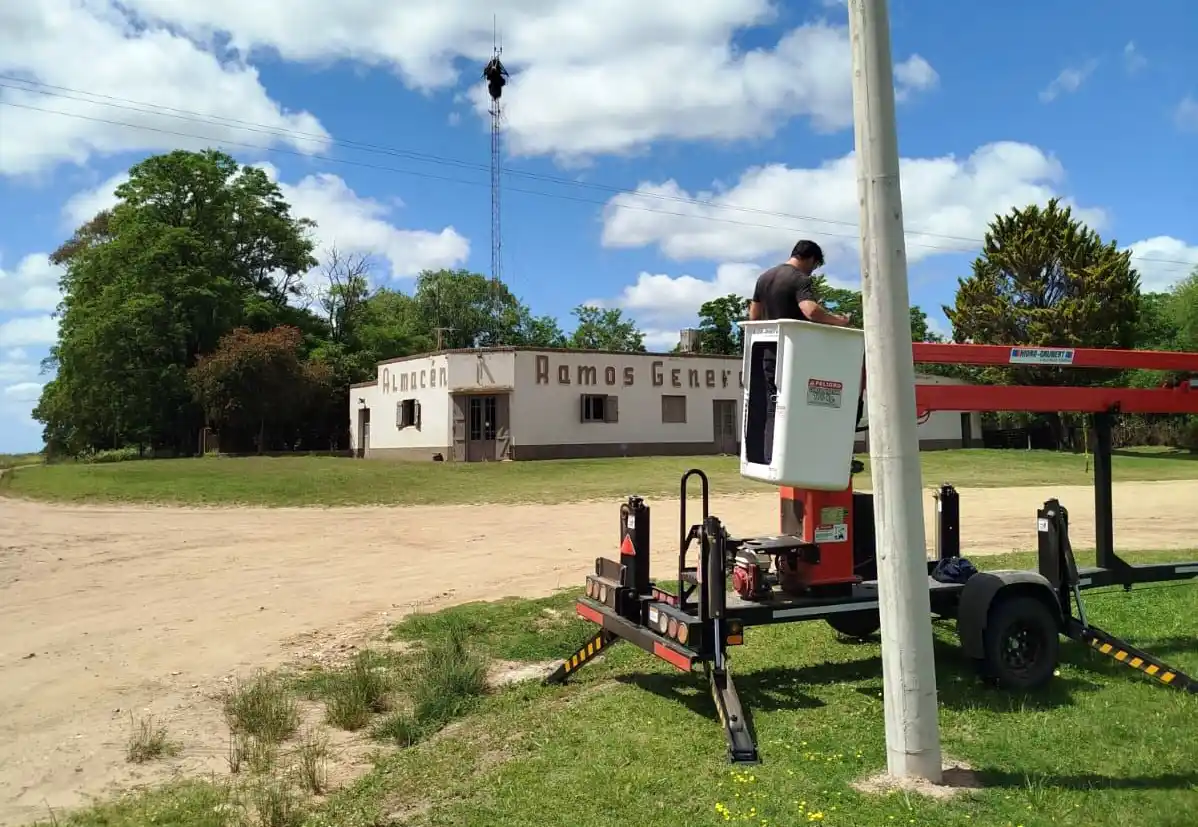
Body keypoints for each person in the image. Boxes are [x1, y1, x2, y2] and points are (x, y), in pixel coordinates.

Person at [746, 240, 854, 465]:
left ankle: (770, 457)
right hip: (795, 354)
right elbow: (810, 310)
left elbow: (754, 316)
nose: (812, 271)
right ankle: (798, 459)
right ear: (811, 259)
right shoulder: (799, 279)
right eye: (814, 266)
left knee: (773, 404)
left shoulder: (764, 277)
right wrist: (839, 321)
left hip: (767, 352)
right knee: (805, 404)